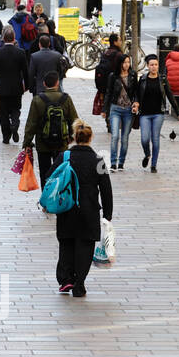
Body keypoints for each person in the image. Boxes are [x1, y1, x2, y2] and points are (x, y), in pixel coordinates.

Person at [56, 121, 113, 298]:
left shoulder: (64, 157)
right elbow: (106, 188)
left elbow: (51, 177)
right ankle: (79, 284)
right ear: (90, 137)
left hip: (66, 209)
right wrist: (107, 214)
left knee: (66, 244)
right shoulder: (97, 160)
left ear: (74, 137)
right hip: (89, 210)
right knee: (85, 247)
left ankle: (66, 280)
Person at [22, 70, 79, 181]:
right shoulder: (66, 99)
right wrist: (72, 137)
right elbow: (74, 120)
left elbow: (31, 124)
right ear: (57, 83)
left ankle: (46, 195)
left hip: (43, 143)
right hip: (62, 142)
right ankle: (59, 196)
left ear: (44, 83)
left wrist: (27, 143)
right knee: (61, 172)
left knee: (45, 172)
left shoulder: (37, 100)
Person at [0, 27, 30, 144]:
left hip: (2, 88)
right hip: (16, 88)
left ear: (3, 39)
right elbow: (25, 71)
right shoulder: (21, 53)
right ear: (14, 38)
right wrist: (27, 85)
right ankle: (15, 125)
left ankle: (6, 136)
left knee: (3, 113)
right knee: (16, 109)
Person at [133, 54, 172, 173]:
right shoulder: (143, 79)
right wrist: (136, 103)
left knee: (155, 139)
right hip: (144, 114)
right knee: (144, 139)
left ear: (158, 66)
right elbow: (137, 94)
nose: (154, 67)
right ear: (148, 66)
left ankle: (154, 165)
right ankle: (147, 154)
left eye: (155, 65)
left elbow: (169, 94)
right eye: (151, 65)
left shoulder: (163, 79)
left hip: (158, 114)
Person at [105, 54, 137, 171]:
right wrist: (105, 110)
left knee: (124, 138)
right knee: (115, 136)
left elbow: (135, 92)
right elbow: (108, 92)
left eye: (128, 62)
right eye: (124, 62)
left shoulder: (133, 75)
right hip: (115, 109)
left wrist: (136, 103)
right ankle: (113, 163)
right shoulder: (113, 76)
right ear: (119, 63)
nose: (126, 65)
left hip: (128, 110)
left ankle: (121, 162)